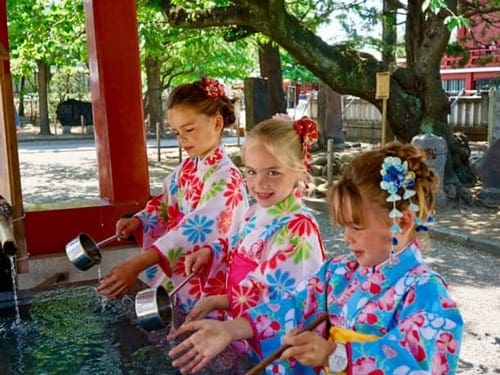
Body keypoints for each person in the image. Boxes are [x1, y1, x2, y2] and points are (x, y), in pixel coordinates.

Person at [167, 141, 464, 374]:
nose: (347, 238)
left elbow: (422, 367)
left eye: (356, 227)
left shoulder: (426, 293)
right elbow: (292, 309)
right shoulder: (339, 272)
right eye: (344, 226)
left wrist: (335, 356)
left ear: (402, 222)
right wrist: (230, 329)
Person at [97, 77, 249, 318]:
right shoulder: (189, 167)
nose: (182, 139)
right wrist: (138, 220)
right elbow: (165, 203)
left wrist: (137, 265)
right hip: (187, 273)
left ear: (217, 123)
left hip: (210, 278)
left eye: (189, 130)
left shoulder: (226, 177)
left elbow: (193, 229)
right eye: (177, 132)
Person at [182, 118, 326, 355]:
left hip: (276, 342)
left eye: (273, 172)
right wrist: (212, 252)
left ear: (299, 167)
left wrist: (218, 302)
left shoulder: (299, 229)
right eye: (251, 172)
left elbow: (278, 298)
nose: (260, 184)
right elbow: (239, 244)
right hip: (244, 327)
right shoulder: (256, 211)